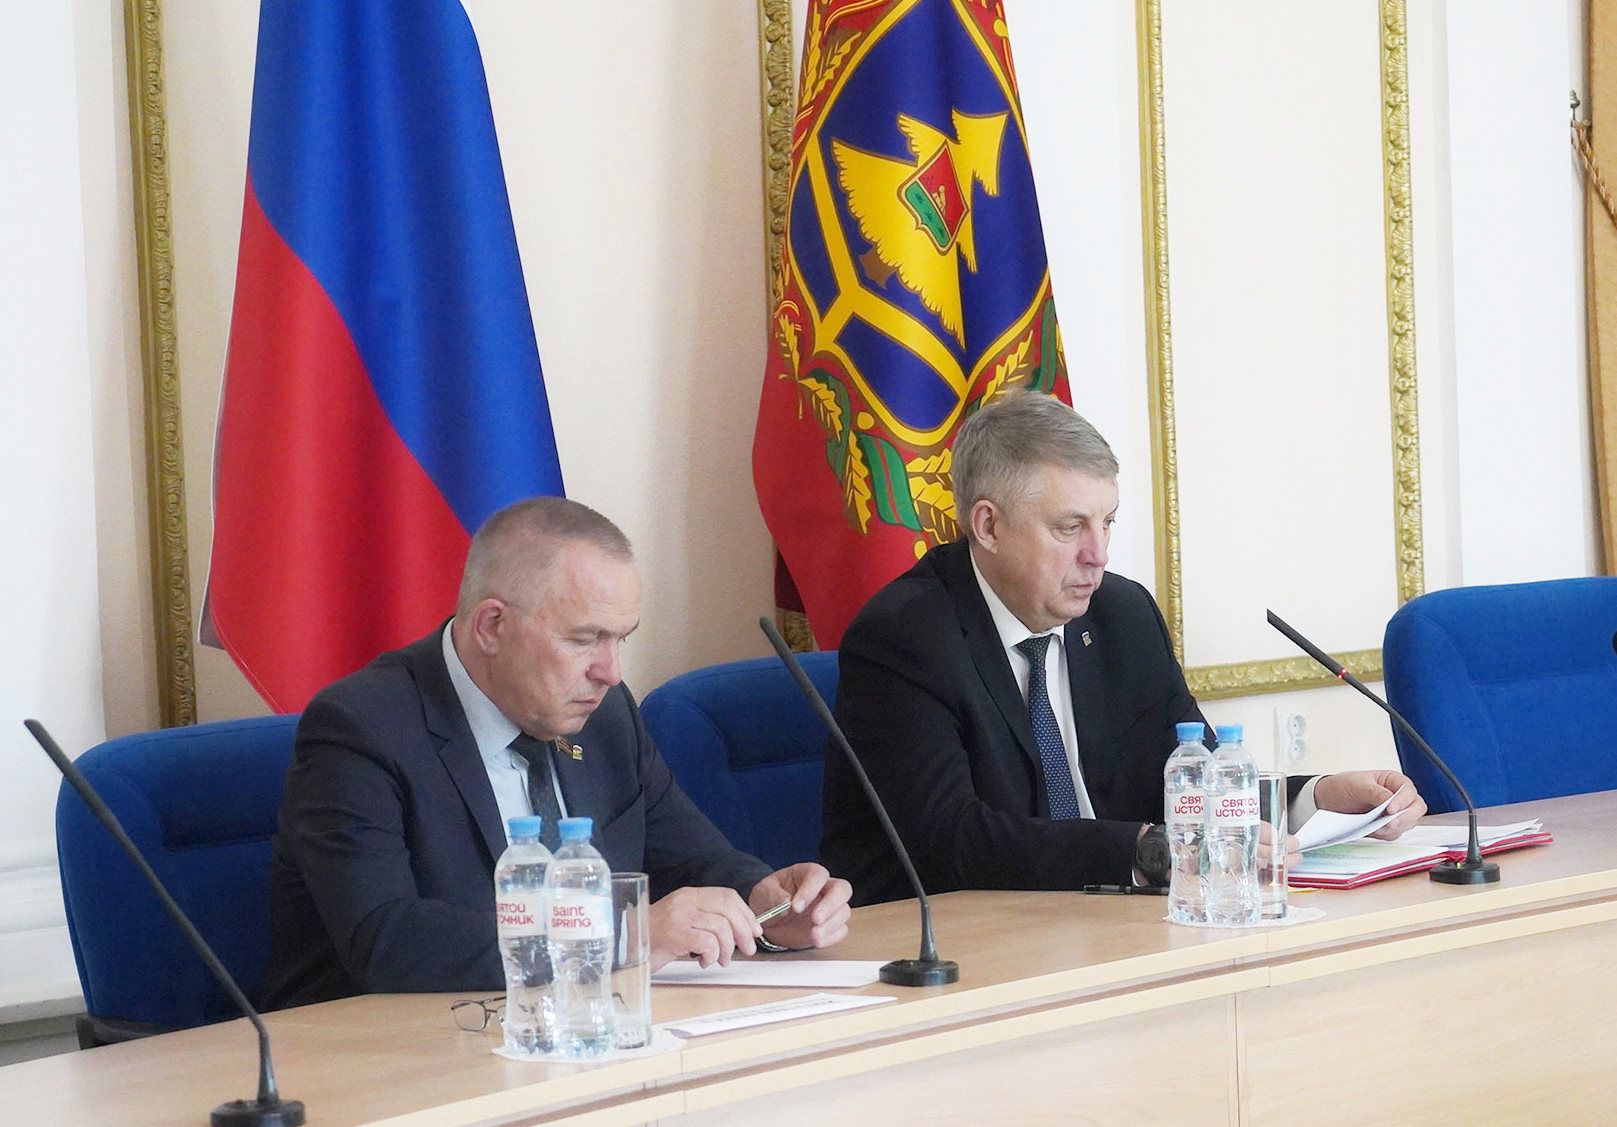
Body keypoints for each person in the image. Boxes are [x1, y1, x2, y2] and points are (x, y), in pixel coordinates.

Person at [822, 391, 1426, 906]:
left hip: (1109, 922)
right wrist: (1144, 852)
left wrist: (1314, 801)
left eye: (1107, 522)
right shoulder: (906, 637)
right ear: (988, 526)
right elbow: (950, 839)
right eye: (1070, 527)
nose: (1098, 555)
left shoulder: (1122, 615)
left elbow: (1195, 775)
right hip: (956, 946)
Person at [264, 498, 852, 1009]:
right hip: (390, 1053)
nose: (610, 671)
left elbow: (693, 858)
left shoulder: (605, 715)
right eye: (584, 639)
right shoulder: (363, 728)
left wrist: (766, 903)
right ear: (492, 626)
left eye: (620, 639)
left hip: (580, 1032)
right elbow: (385, 939)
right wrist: (623, 937)